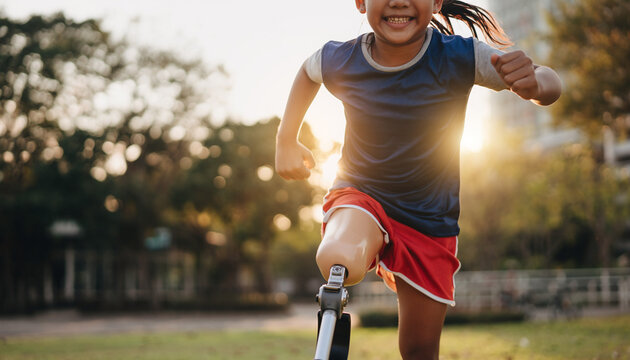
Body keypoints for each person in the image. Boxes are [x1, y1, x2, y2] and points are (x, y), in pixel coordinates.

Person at [275, 0, 562, 359]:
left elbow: (551, 83)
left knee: (419, 349)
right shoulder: (342, 59)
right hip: (361, 195)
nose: (399, 1)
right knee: (338, 256)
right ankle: (332, 324)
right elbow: (308, 70)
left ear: (437, 2)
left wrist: (535, 84)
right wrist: (286, 137)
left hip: (430, 220)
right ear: (361, 2)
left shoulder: (461, 57)